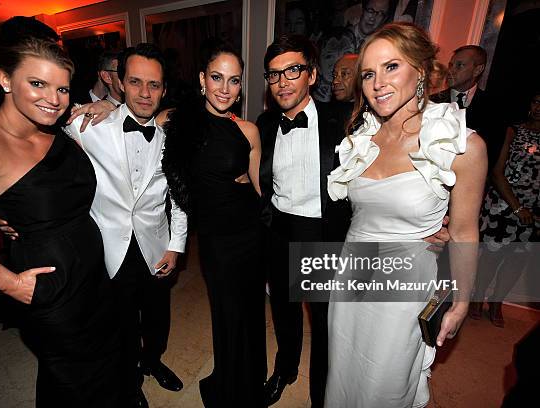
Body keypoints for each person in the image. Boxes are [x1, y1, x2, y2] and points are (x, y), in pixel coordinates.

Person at [0, 37, 124, 406]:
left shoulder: (56, 126)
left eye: (62, 88)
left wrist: (109, 108)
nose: (54, 98)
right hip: (50, 285)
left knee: (107, 363)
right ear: (4, 79)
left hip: (95, 275)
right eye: (37, 84)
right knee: (73, 381)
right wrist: (10, 284)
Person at [325, 22, 487, 407]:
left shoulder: (460, 143)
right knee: (343, 375)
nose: (377, 82)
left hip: (404, 290)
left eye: (391, 67)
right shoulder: (359, 138)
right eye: (368, 73)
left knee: (385, 382)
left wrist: (462, 302)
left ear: (421, 70)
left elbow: (464, 231)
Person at [65, 44, 187, 407]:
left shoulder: (171, 137)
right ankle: (129, 380)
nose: (145, 93)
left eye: (154, 85)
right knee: (119, 324)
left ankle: (153, 361)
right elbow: (38, 140)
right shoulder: (88, 126)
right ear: (119, 82)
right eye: (135, 82)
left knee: (157, 316)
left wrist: (176, 245)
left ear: (164, 89)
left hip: (155, 244)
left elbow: (181, 197)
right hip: (109, 246)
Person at [161, 41, 266, 408]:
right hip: (216, 241)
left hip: (249, 233)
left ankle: (248, 388)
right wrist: (98, 106)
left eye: (234, 81)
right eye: (217, 78)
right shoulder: (175, 121)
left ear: (241, 87)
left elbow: (261, 190)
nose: (225, 88)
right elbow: (131, 118)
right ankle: (229, 387)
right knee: (226, 314)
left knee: (250, 313)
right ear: (203, 80)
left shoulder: (248, 131)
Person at [257, 34, 351, 408]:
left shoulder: (342, 120)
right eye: (274, 74)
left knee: (325, 322)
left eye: (292, 71)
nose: (282, 82)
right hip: (278, 229)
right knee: (283, 309)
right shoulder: (263, 124)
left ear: (311, 75)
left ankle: (321, 394)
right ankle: (285, 370)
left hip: (321, 233)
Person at [474, 91, 540, 326]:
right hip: (503, 205)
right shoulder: (513, 130)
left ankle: (496, 302)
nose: (538, 107)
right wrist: (517, 207)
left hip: (534, 211)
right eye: (535, 101)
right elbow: (496, 172)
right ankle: (477, 297)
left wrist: (529, 211)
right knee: (491, 256)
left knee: (517, 259)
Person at [431, 45, 502, 169]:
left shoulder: (494, 108)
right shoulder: (433, 102)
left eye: (459, 65)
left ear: (477, 70)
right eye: (451, 65)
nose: (451, 71)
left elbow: (492, 156)